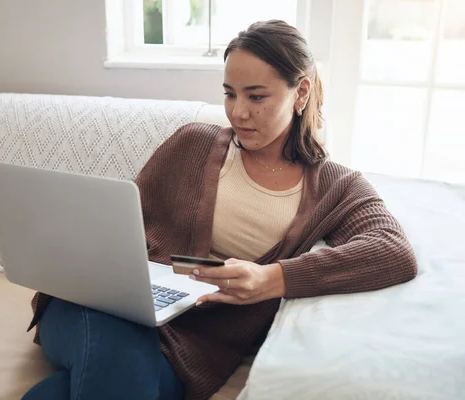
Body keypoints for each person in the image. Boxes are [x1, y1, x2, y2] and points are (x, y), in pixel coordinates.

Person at [22, 20, 417, 400]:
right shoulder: (193, 143)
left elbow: (393, 250)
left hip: (185, 350)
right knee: (119, 354)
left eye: (256, 96)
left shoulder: (336, 186)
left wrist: (273, 278)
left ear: (300, 93)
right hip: (96, 309)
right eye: (230, 93)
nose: (238, 111)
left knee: (107, 376)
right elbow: (119, 226)